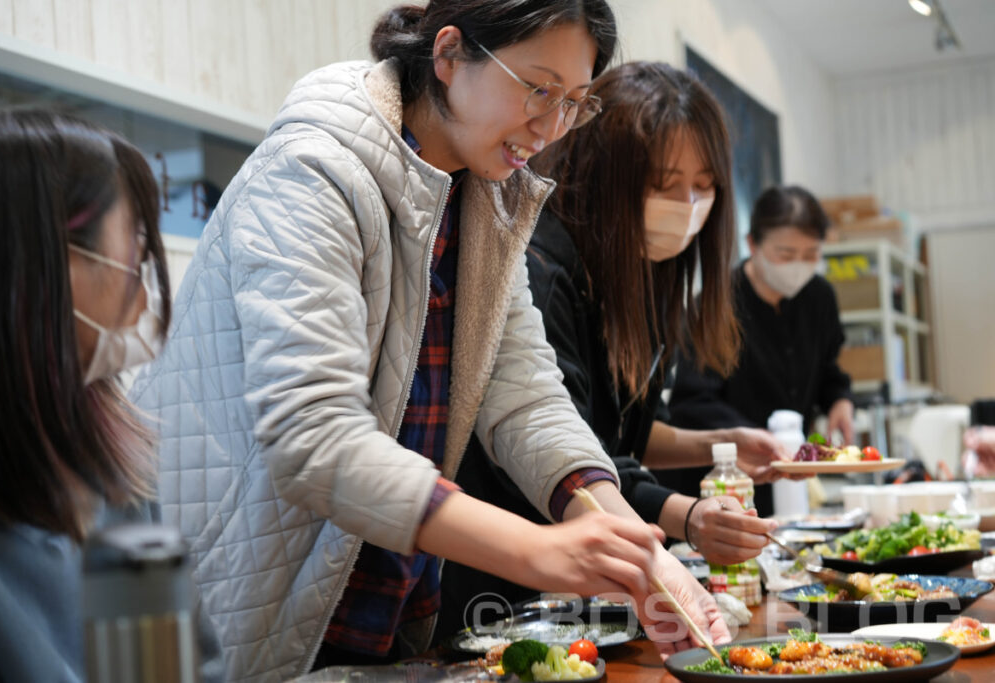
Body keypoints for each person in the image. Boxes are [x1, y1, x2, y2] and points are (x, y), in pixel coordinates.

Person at [129, 2, 729, 679]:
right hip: (250, 587)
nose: (552, 124)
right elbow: (313, 434)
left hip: (384, 605)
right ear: (448, 56)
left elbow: (527, 399)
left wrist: (636, 550)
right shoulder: (315, 167)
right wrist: (537, 550)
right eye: (538, 88)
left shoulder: (485, 197)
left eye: (574, 103)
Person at [435, 63, 783, 638]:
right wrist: (681, 522)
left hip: (577, 559)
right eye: (665, 183)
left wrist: (719, 447)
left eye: (704, 185)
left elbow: (618, 433)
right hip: (502, 583)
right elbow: (559, 443)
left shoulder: (646, 275)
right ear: (603, 173)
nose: (689, 204)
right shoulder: (541, 269)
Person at [0, 109, 222, 681]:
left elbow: (171, 668)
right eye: (132, 243)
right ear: (45, 266)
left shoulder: (112, 459)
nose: (142, 293)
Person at [667, 184, 854, 516]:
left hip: (789, 476)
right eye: (786, 255)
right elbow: (692, 402)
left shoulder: (820, 298)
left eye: (811, 255)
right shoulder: (714, 306)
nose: (799, 265)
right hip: (723, 483)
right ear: (752, 244)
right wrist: (751, 439)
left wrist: (839, 399)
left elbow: (826, 369)